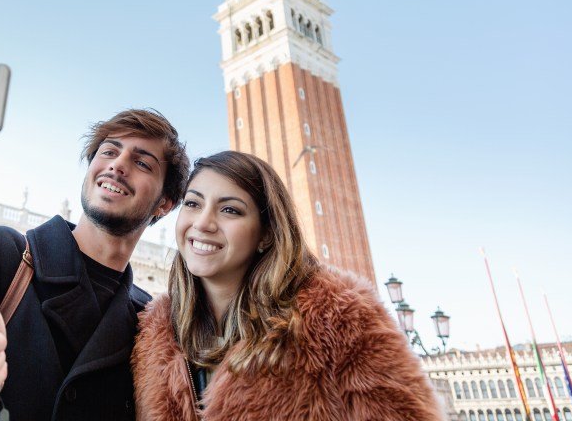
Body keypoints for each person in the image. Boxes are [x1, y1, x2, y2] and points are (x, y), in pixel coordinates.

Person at [0, 109, 189, 421]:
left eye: (142, 163)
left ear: (165, 204)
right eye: (109, 151)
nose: (118, 165)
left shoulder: (147, 320)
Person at [132, 151, 442, 421]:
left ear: (266, 234)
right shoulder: (154, 333)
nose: (203, 222)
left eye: (230, 210)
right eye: (193, 204)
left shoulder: (340, 320)